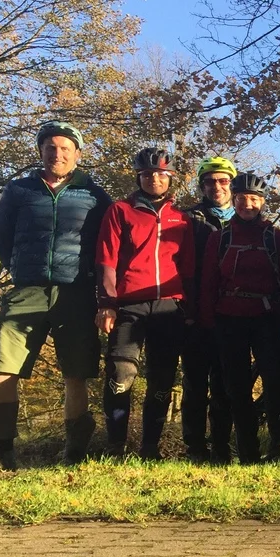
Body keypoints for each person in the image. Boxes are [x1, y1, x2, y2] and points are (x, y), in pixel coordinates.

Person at [0, 121, 111, 468]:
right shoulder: (19, 190)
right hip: (26, 290)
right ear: (40, 151)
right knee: (3, 369)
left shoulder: (94, 195)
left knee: (75, 372)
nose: (57, 154)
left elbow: (107, 243)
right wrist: (19, 268)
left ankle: (74, 453)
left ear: (77, 154)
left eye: (64, 148)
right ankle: (5, 452)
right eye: (50, 148)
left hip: (75, 292)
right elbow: (1, 236)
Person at [96, 148, 194, 458]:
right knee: (120, 374)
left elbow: (189, 265)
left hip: (169, 306)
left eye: (161, 174)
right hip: (129, 304)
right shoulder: (120, 211)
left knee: (162, 379)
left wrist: (189, 306)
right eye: (148, 174)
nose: (155, 178)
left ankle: (150, 448)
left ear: (170, 178)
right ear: (139, 177)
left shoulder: (181, 217)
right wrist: (106, 303)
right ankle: (115, 447)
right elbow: (106, 259)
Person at [199, 172, 280, 464]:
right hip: (228, 320)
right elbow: (208, 282)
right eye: (242, 199)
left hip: (266, 319)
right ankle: (248, 452)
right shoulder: (221, 237)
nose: (247, 204)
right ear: (234, 199)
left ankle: (279, 445)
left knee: (274, 385)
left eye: (254, 199)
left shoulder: (274, 236)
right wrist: (207, 323)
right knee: (236, 388)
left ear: (262, 203)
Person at [182, 156, 238, 464]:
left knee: (224, 382)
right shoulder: (189, 219)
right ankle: (194, 447)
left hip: (230, 313)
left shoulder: (246, 217)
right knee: (194, 383)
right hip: (194, 311)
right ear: (202, 186)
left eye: (223, 180)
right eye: (209, 181)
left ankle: (221, 446)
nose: (216, 186)